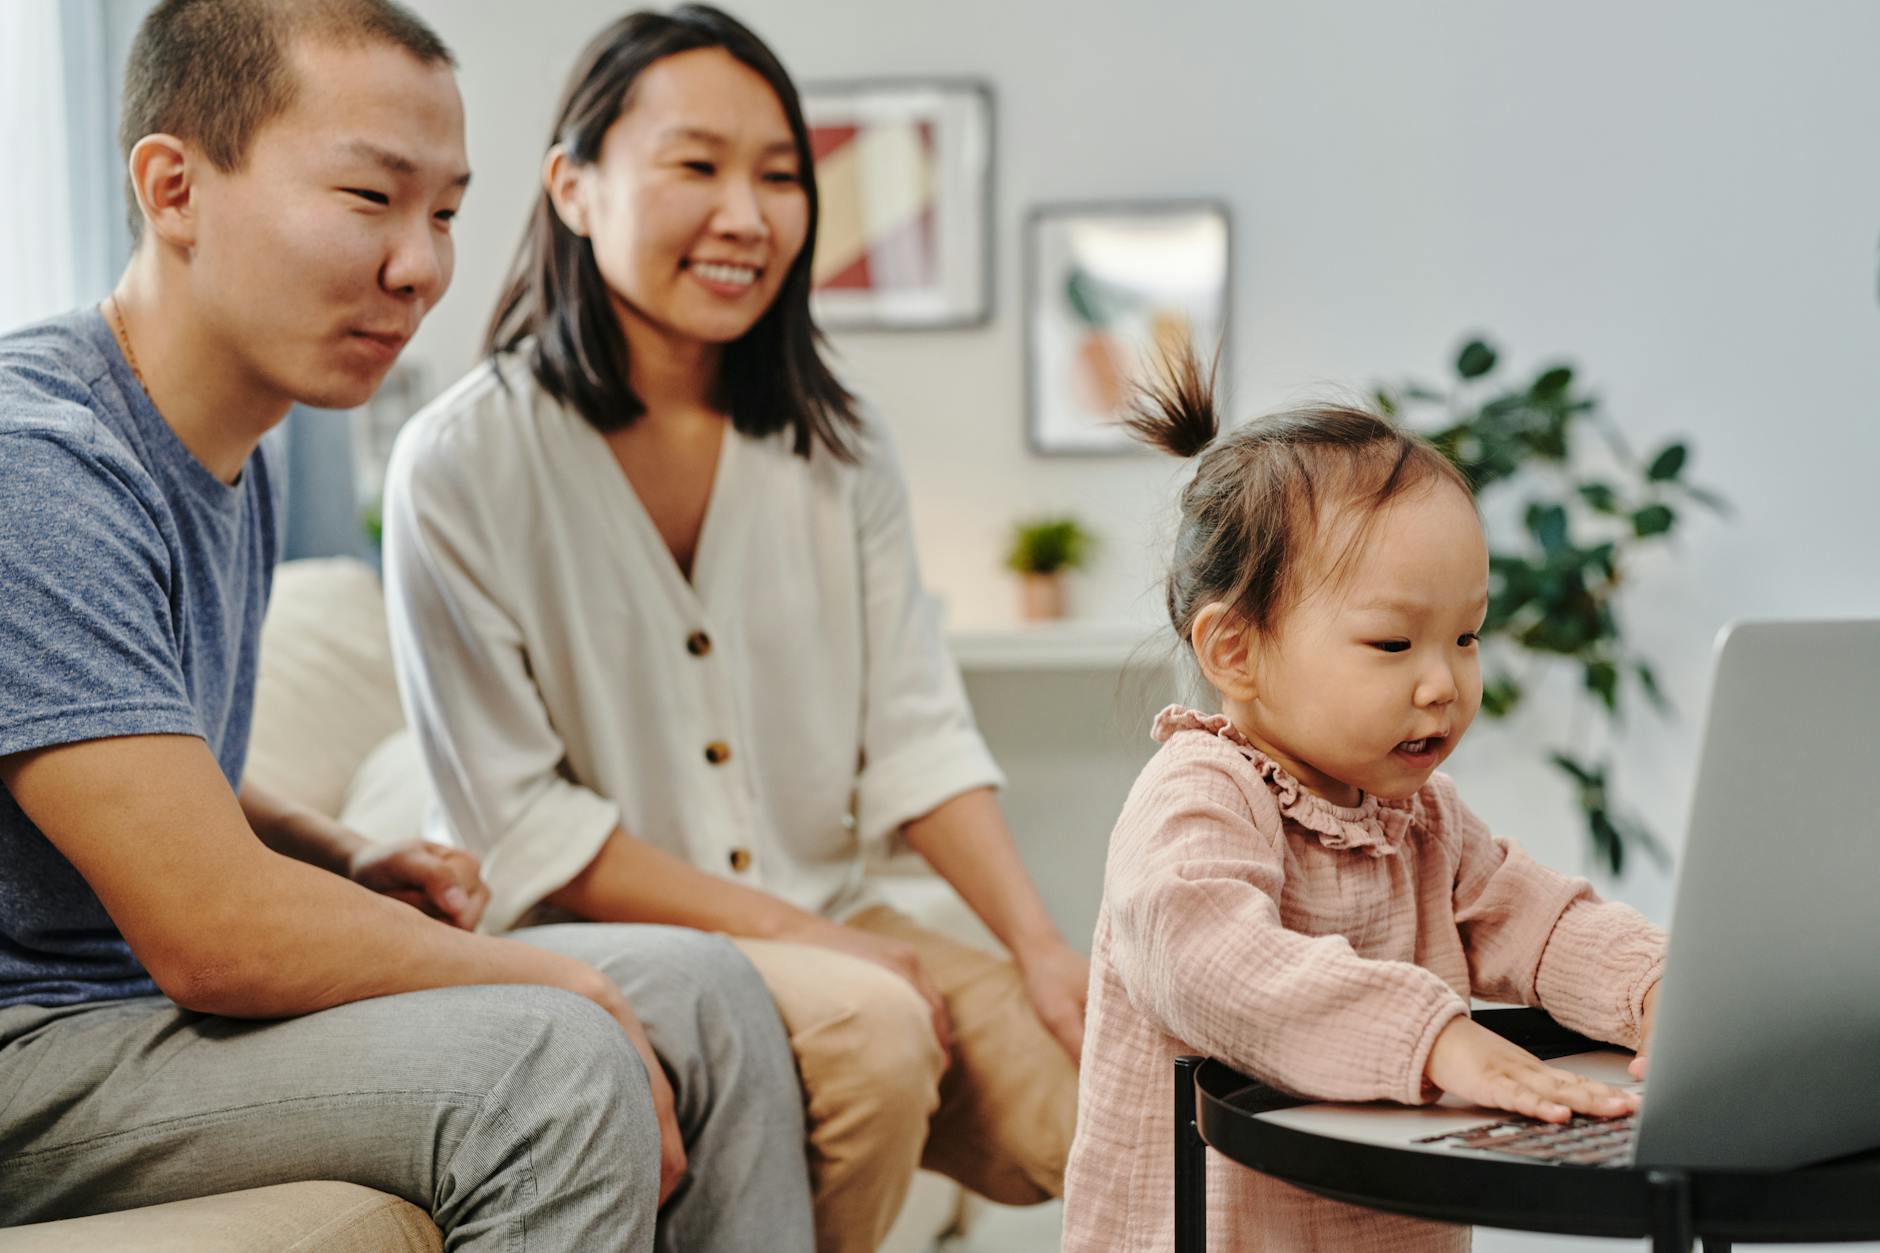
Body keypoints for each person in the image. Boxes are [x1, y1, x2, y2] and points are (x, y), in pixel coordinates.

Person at [0, 3, 813, 1250]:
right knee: (550, 1059)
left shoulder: (236, 448)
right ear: (173, 187)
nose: (423, 267)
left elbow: (124, 748)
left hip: (113, 1012)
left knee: (708, 990)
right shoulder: (41, 466)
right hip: (33, 1044)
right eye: (371, 198)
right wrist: (555, 973)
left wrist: (329, 845)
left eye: (441, 211)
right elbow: (210, 930)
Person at [380, 6, 1084, 1249]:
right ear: (575, 186)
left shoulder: (836, 443)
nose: (747, 216)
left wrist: (1039, 945)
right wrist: (821, 946)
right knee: (869, 1034)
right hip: (610, 942)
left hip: (832, 906)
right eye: (697, 165)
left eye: (779, 176)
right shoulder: (461, 460)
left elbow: (913, 735)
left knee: (1102, 1083)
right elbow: (524, 822)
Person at [1059, 349, 1669, 1253]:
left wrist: (1657, 986)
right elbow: (1215, 961)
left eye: (1466, 635)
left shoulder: (1425, 820)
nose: (1444, 683)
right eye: (1393, 643)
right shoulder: (1200, 794)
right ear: (1236, 651)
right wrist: (1431, 1039)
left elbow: (1542, 923)